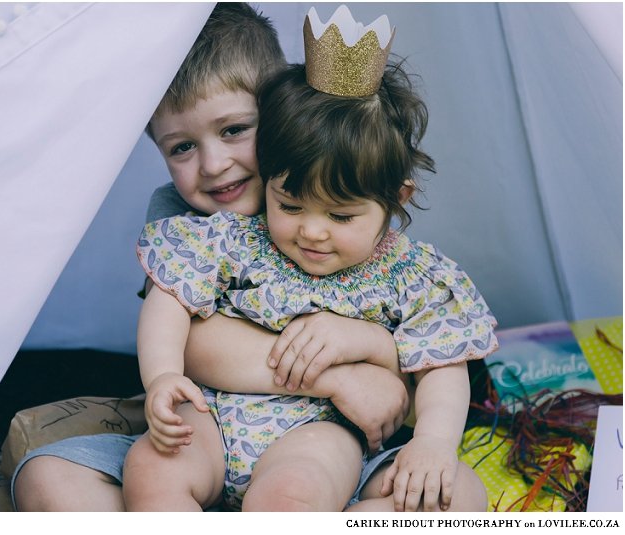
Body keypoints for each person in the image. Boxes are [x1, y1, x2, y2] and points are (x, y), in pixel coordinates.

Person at [11, 3, 408, 512]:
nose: (214, 166)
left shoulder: (337, 200)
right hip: (207, 428)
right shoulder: (178, 216)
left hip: (316, 443)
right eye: (181, 148)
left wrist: (369, 339)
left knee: (451, 497)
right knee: (45, 478)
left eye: (234, 130)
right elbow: (194, 342)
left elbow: (416, 339)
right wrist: (338, 376)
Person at [123, 8, 495, 512]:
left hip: (316, 430)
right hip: (212, 414)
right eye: (291, 206)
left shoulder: (412, 273)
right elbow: (170, 302)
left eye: (339, 216)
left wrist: (433, 441)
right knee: (149, 466)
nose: (311, 231)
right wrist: (162, 377)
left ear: (396, 200)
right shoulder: (225, 232)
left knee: (297, 493)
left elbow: (441, 362)